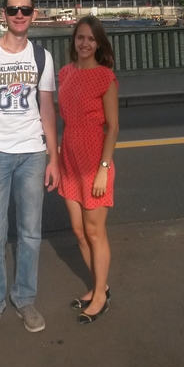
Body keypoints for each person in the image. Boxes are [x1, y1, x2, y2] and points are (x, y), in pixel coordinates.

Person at [0, 0, 60, 340]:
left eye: (26, 9)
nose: (19, 15)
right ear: (3, 14)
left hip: (33, 152)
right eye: (13, 9)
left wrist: (54, 156)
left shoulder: (42, 57)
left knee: (31, 233)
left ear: (34, 14)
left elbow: (46, 107)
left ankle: (24, 298)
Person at [58, 16, 119, 324]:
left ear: (99, 44)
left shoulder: (105, 77)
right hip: (69, 159)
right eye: (80, 37)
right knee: (79, 231)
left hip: (95, 161)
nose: (85, 43)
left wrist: (103, 169)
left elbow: (113, 127)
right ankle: (99, 286)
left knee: (95, 233)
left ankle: (99, 298)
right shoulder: (65, 73)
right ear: (74, 40)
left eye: (91, 39)